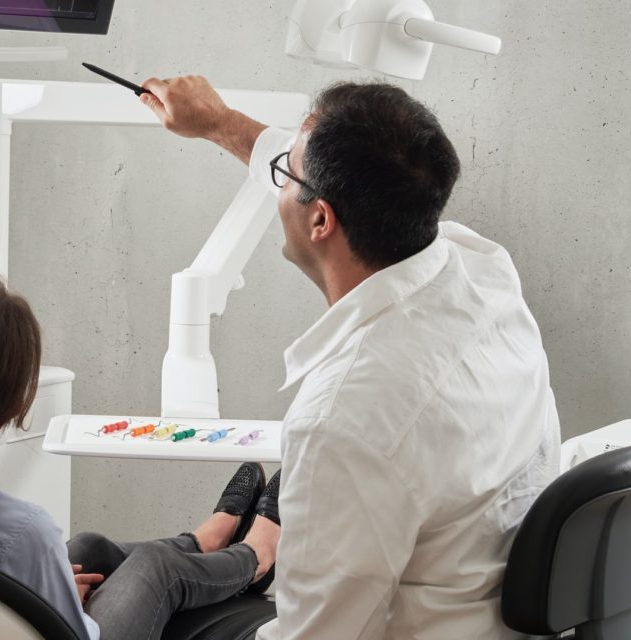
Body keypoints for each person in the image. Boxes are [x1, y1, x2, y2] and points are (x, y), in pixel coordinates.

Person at [138, 77, 562, 639]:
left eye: (285, 175)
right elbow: (329, 180)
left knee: (146, 592)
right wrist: (218, 121)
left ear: (321, 221)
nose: (279, 183)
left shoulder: (344, 420)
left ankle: (234, 555)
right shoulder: (484, 271)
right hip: (476, 611)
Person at [0, 268, 283, 640]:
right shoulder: (23, 532)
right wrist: (56, 605)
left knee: (88, 547)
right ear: (14, 410)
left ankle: (200, 542)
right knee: (157, 566)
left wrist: (46, 590)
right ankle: (255, 557)